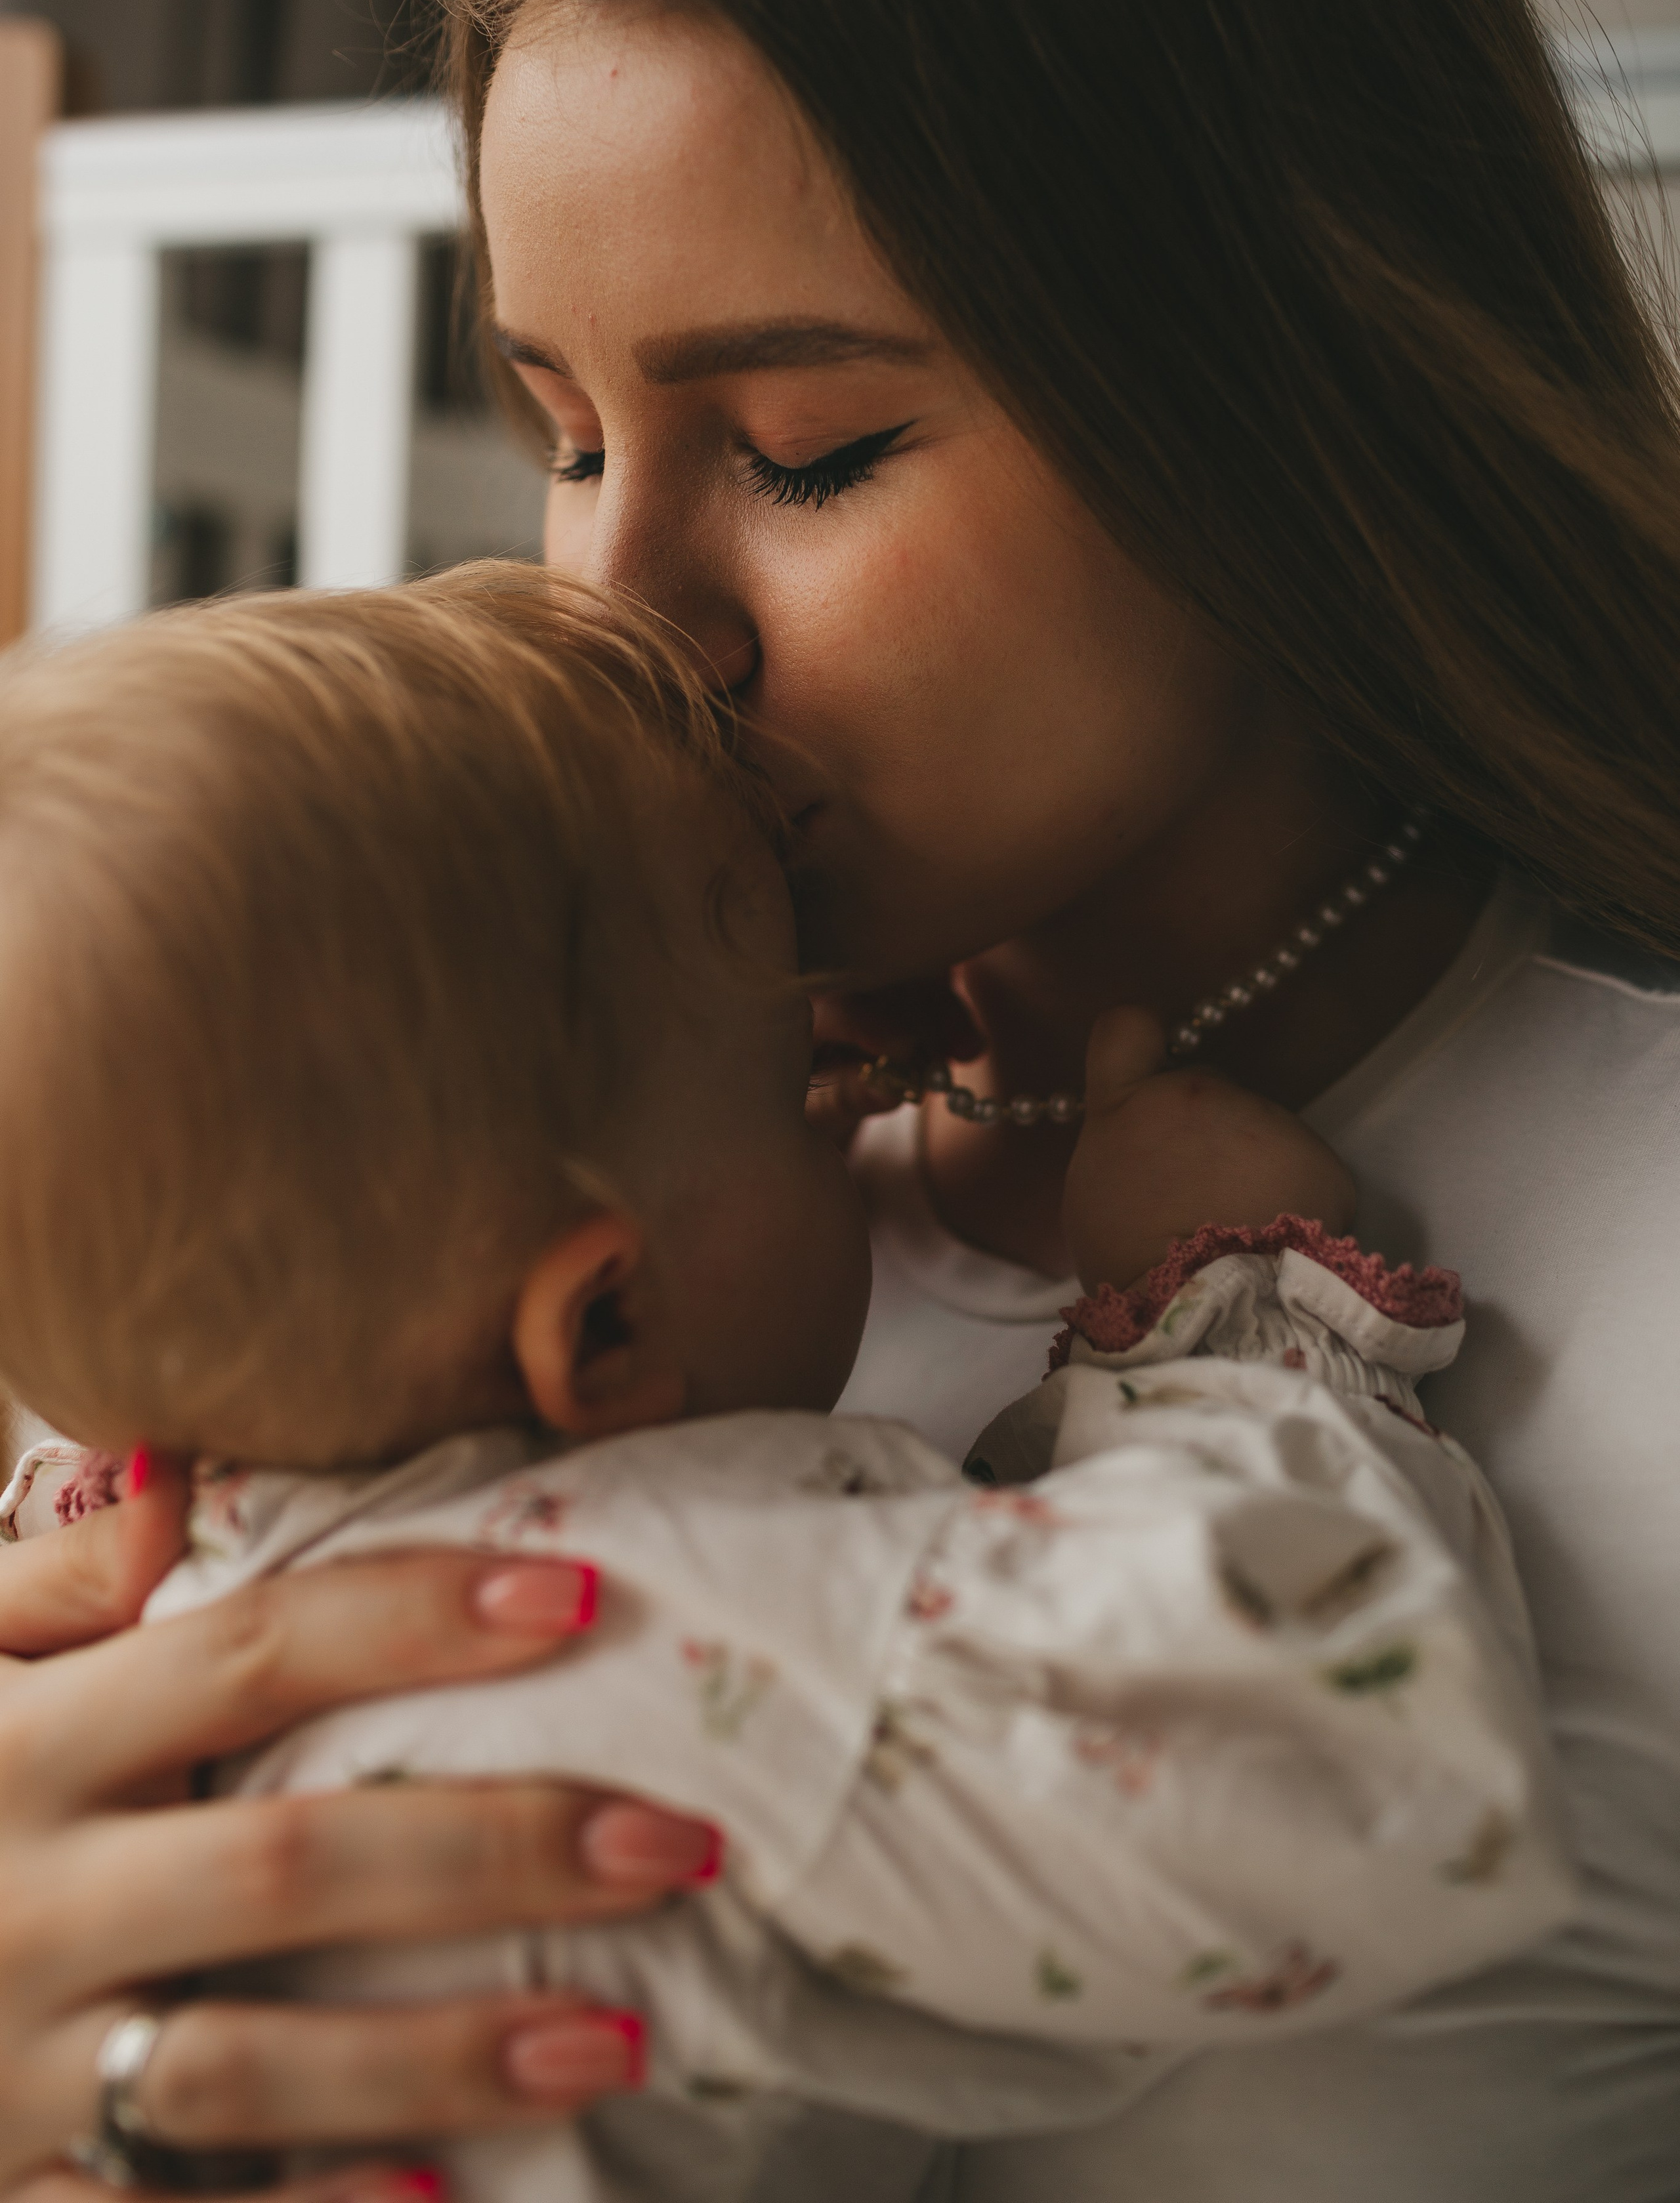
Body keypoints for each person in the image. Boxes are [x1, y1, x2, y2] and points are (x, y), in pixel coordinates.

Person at [3, 0, 1677, 2194]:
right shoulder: (439, 1126)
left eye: (805, 448)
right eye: (562, 436)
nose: (626, 604)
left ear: (1267, 372)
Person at [0, 564, 1568, 2203]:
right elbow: (1351, 1776)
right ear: (598, 1332)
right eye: (794, 1084)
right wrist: (1228, 1315)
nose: (857, 1098)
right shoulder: (676, 1617)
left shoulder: (104, 1615)